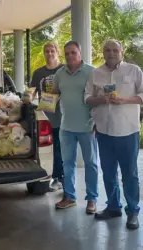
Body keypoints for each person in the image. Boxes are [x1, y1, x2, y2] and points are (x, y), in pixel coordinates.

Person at [85, 40, 142, 230]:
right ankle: (113, 207)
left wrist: (124, 100)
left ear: (121, 51)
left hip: (127, 131)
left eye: (114, 50)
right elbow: (87, 98)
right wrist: (101, 99)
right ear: (103, 53)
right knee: (108, 173)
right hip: (104, 131)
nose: (111, 53)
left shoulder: (134, 71)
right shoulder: (96, 73)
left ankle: (133, 210)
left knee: (129, 174)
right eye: (107, 50)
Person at [52, 41, 98, 214]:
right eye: (67, 53)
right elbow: (54, 94)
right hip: (66, 127)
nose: (70, 56)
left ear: (80, 53)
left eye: (73, 52)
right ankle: (69, 197)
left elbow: (98, 97)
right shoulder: (59, 73)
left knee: (91, 163)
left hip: (88, 127)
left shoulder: (91, 72)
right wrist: (39, 102)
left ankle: (92, 199)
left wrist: (97, 122)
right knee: (68, 163)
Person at [30, 42, 64, 191]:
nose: (49, 53)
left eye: (52, 51)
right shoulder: (38, 73)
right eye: (47, 51)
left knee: (62, 148)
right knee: (51, 149)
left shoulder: (64, 69)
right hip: (46, 117)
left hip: (64, 115)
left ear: (57, 52)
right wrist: (26, 98)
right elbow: (32, 91)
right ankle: (54, 177)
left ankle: (62, 178)